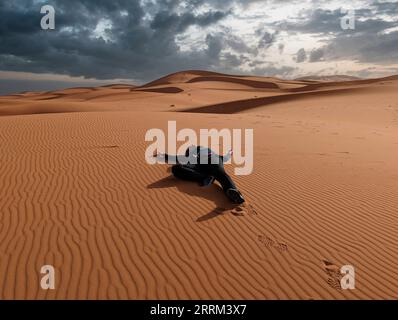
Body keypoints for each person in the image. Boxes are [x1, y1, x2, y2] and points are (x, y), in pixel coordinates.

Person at [155, 145, 245, 204]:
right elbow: (226, 157)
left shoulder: (195, 151)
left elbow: (177, 158)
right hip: (208, 164)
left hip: (208, 162)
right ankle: (230, 189)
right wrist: (230, 152)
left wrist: (164, 156)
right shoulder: (211, 154)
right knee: (221, 175)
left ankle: (232, 191)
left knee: (220, 173)